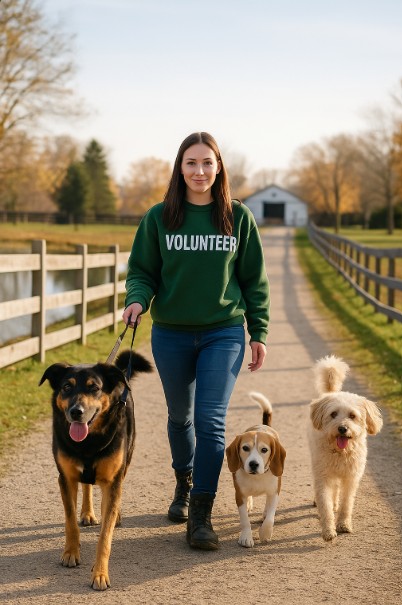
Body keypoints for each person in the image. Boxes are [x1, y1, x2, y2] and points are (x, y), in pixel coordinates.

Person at [123, 132, 270, 550]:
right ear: (180, 167)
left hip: (223, 331)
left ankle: (201, 514)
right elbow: (142, 272)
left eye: (207, 163)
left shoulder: (237, 218)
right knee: (180, 418)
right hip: (170, 332)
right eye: (191, 163)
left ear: (219, 167)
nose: (200, 171)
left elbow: (254, 280)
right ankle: (184, 484)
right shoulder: (159, 217)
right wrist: (137, 300)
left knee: (210, 422)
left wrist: (258, 330)